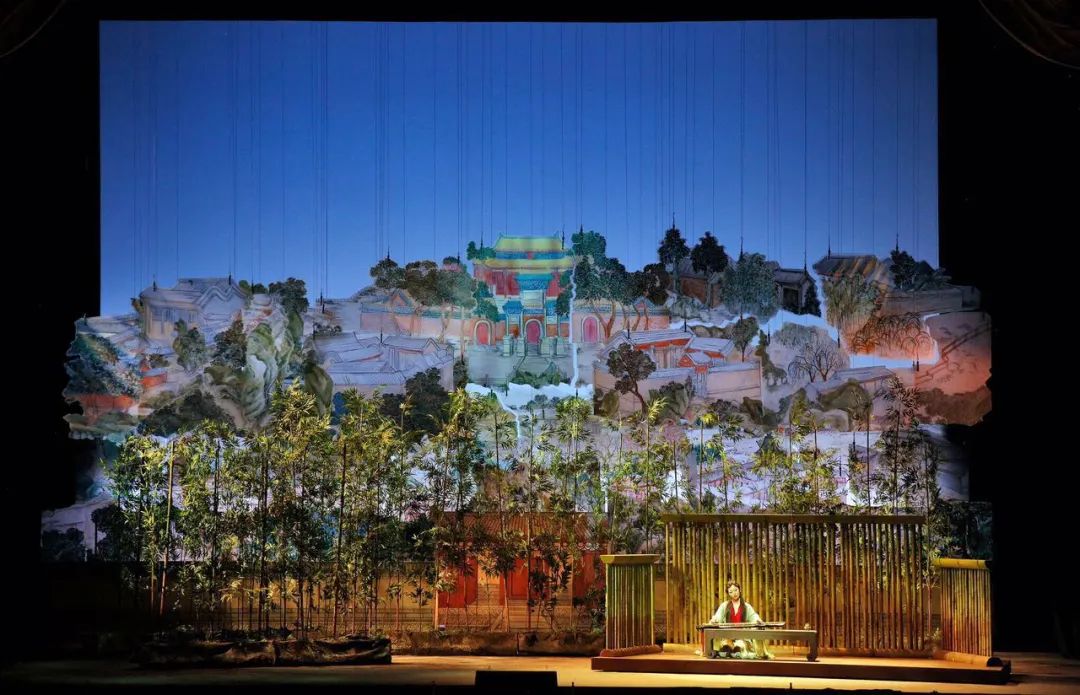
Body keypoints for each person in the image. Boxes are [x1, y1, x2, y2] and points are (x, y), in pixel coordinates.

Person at [707, 581, 772, 659]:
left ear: (739, 590)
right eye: (731, 592)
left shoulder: (746, 606)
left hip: (742, 635)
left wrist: (757, 620)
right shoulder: (724, 606)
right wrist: (715, 620)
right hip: (728, 635)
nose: (734, 593)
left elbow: (753, 616)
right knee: (725, 647)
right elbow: (718, 616)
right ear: (728, 594)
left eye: (736, 590)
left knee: (740, 647)